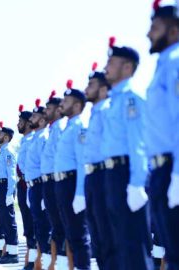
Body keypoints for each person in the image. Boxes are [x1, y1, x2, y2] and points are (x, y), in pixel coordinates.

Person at [101, 37, 153, 269]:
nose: (106, 67)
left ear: (127, 67)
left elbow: (138, 143)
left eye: (111, 62)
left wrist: (137, 183)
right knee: (116, 243)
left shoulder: (132, 99)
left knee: (133, 245)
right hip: (112, 175)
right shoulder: (114, 101)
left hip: (126, 175)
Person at [146, 2, 179, 269]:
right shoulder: (164, 64)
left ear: (173, 31)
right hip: (160, 170)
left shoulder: (176, 61)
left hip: (172, 169)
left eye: (155, 27)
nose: (148, 34)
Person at [77, 63, 116, 269]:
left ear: (102, 89)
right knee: (98, 238)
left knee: (108, 235)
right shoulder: (93, 114)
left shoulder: (108, 111)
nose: (86, 89)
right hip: (92, 178)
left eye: (90, 85)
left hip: (104, 176)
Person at [54, 80, 91, 270]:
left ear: (77, 105)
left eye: (66, 101)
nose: (62, 104)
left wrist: (80, 193)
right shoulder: (67, 127)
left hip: (71, 182)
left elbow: (82, 161)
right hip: (62, 184)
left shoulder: (79, 126)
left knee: (78, 233)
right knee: (69, 232)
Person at [40, 90, 68, 269]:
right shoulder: (52, 130)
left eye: (49, 108)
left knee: (62, 225)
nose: (45, 111)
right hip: (49, 182)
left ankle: (64, 264)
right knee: (55, 225)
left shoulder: (61, 129)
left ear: (58, 110)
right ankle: (58, 263)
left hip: (58, 180)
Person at [24, 99, 52, 269]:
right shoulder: (35, 138)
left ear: (42, 120)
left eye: (34, 116)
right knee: (36, 227)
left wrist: (43, 194)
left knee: (44, 227)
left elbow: (45, 165)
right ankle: (38, 262)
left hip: (42, 185)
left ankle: (47, 263)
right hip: (33, 186)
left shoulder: (44, 137)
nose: (31, 119)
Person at [0, 122, 19, 264]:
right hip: (0, 186)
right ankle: (8, 251)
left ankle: (13, 253)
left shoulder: (8, 151)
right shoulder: (2, 152)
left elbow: (11, 175)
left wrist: (10, 193)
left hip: (5, 187)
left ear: (7, 137)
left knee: (9, 221)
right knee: (4, 220)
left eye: (1, 134)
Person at [16, 105, 37, 269]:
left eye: (20, 121)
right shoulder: (24, 141)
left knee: (36, 224)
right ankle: (31, 258)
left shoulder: (33, 140)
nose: (18, 124)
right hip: (23, 184)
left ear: (29, 123)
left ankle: (37, 260)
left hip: (31, 183)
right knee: (28, 224)